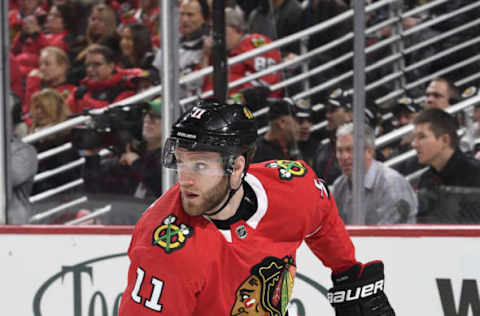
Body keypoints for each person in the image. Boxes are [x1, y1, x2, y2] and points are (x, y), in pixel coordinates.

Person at [118, 98, 395, 316]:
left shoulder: (292, 189)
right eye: (181, 162)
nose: (185, 179)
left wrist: (344, 268)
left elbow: (322, 216)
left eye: (200, 165)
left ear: (237, 166)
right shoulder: (166, 250)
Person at [332, 123, 418, 225]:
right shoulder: (339, 186)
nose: (344, 156)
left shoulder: (392, 185)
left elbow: (390, 236)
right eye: (339, 150)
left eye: (350, 150)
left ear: (369, 152)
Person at [412, 108, 480, 223]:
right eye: (414, 138)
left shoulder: (476, 174)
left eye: (422, 137)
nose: (414, 144)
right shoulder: (425, 179)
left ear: (444, 140)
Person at [201, 7, 284, 99]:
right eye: (211, 29)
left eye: (216, 28)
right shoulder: (214, 53)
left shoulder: (254, 42)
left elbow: (266, 83)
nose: (213, 33)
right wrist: (205, 56)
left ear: (235, 27)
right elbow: (199, 86)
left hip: (255, 105)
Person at [153, 0, 211, 100]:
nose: (184, 19)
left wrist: (206, 55)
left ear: (204, 18)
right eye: (182, 14)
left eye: (190, 15)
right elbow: (156, 72)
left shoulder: (210, 45)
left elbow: (199, 84)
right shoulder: (170, 42)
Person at [66, 45, 143, 114]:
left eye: (97, 64)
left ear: (111, 66)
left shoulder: (125, 89)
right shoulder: (78, 93)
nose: (90, 69)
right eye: (87, 65)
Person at [24, 46, 76, 124]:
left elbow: (47, 114)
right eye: (40, 64)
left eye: (47, 64)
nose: (42, 68)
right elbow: (27, 114)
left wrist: (33, 85)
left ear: (63, 66)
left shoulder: (72, 91)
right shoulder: (39, 87)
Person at [313, 88, 353, 185]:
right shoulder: (322, 148)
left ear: (349, 113)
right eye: (327, 111)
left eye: (333, 110)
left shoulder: (363, 146)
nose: (328, 115)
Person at [251, 98, 299, 163]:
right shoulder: (258, 153)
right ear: (282, 122)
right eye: (298, 120)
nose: (300, 126)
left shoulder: (289, 148)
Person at [293, 98, 317, 167]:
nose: (306, 126)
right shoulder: (282, 148)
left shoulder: (317, 148)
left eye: (309, 120)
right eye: (300, 120)